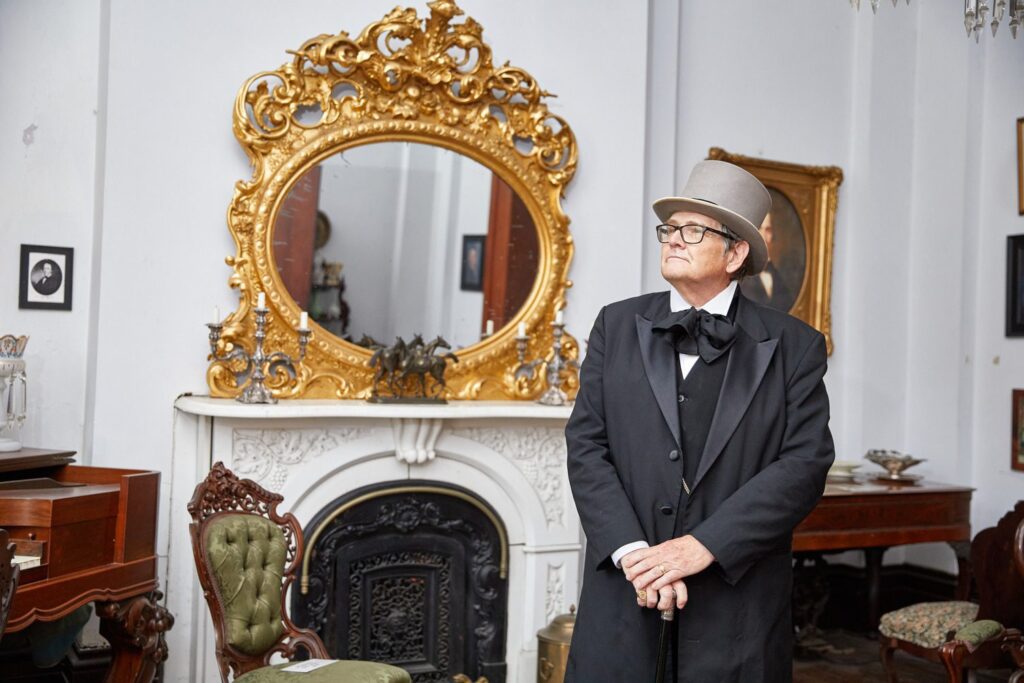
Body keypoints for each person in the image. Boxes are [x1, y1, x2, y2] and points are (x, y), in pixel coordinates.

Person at [565, 160, 834, 682]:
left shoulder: (796, 347)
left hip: (736, 607)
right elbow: (586, 446)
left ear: (736, 253)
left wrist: (702, 547)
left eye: (693, 230)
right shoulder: (615, 325)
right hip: (625, 593)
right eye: (670, 229)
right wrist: (634, 555)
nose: (673, 240)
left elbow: (803, 466)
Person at [741, 211, 796, 312]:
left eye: (768, 230)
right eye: (759, 229)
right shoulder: (739, 274)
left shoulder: (779, 278)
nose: (763, 236)